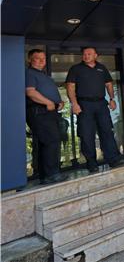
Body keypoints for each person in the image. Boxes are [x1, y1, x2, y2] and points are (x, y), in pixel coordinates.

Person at [66, 47, 124, 172]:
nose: (86, 56)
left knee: (107, 131)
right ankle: (92, 163)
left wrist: (112, 99)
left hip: (101, 104)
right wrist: (74, 104)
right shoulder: (75, 69)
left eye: (89, 54)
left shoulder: (102, 68)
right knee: (87, 134)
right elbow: (70, 87)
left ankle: (113, 159)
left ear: (95, 55)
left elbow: (109, 84)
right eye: (84, 54)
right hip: (84, 104)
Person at [25, 49, 67, 185]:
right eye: (38, 58)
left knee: (47, 143)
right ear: (30, 60)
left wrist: (58, 103)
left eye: (44, 58)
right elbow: (30, 92)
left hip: (49, 112)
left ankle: (45, 176)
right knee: (51, 141)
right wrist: (49, 102)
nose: (42, 61)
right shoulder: (29, 73)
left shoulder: (45, 76)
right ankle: (52, 175)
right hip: (39, 112)